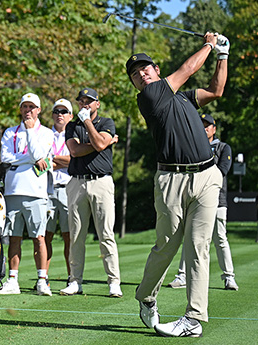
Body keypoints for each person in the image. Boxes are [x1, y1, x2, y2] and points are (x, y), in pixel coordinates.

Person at [126, 32, 228, 337]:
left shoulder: (181, 97)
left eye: (145, 69)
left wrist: (223, 55)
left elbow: (216, 90)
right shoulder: (148, 97)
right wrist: (210, 44)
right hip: (172, 180)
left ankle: (193, 320)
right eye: (135, 74)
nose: (141, 75)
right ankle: (146, 297)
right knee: (166, 247)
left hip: (207, 177)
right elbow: (187, 70)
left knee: (199, 248)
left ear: (156, 70)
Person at [61, 88, 122, 298]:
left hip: (101, 183)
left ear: (97, 104)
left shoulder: (106, 123)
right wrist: (102, 143)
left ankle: (114, 282)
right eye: (81, 101)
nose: (85, 104)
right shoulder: (71, 126)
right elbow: (75, 151)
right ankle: (75, 281)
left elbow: (99, 142)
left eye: (89, 101)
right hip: (77, 183)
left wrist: (90, 127)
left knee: (106, 234)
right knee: (76, 236)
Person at [168, 114, 238, 292]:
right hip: (193, 199)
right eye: (201, 125)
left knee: (220, 238)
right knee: (189, 237)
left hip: (217, 200)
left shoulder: (223, 148)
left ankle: (229, 277)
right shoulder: (190, 146)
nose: (204, 128)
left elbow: (221, 172)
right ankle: (182, 275)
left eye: (208, 126)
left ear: (214, 129)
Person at [0, 93, 54, 296]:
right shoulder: (10, 132)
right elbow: (6, 158)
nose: (28, 110)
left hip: (36, 193)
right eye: (25, 107)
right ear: (20, 109)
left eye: (32, 107)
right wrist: (29, 158)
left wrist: (30, 134)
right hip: (12, 191)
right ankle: (12, 280)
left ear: (39, 110)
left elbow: (41, 156)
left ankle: (41, 281)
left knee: (39, 237)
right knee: (13, 237)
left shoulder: (47, 133)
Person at [45, 99, 74, 281]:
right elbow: (40, 160)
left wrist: (53, 159)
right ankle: (43, 277)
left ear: (70, 116)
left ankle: (72, 277)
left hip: (68, 189)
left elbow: (74, 160)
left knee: (68, 237)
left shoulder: (75, 135)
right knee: (44, 237)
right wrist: (61, 161)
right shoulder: (45, 135)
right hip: (46, 190)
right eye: (56, 111)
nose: (59, 114)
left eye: (64, 111)